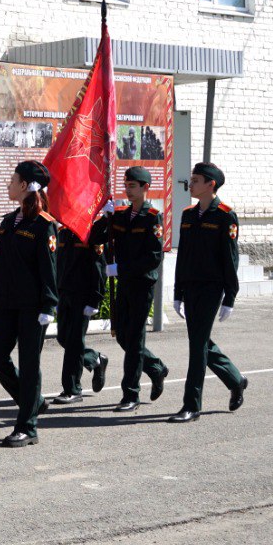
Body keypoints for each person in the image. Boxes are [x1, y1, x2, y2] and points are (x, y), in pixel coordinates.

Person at [0, 161, 57, 448]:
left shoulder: (44, 224)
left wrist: (48, 306)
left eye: (13, 180)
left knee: (29, 365)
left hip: (32, 308)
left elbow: (49, 268)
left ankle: (28, 427)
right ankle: (33, 401)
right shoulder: (8, 221)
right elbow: (1, 266)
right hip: (6, 305)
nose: (8, 184)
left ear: (25, 185)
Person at [170, 162, 248, 423]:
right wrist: (178, 291)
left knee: (197, 346)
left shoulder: (225, 215)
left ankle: (191, 405)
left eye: (195, 180)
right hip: (191, 285)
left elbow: (230, 259)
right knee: (200, 342)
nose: (190, 184)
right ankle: (235, 379)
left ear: (210, 184)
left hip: (212, 287)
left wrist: (230, 297)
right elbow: (184, 257)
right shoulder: (189, 214)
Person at [107, 166, 170, 412]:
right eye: (126, 185)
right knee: (122, 335)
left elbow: (154, 257)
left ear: (145, 188)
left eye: (133, 186)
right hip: (124, 283)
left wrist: (121, 268)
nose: (128, 190)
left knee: (134, 339)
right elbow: (106, 238)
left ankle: (130, 394)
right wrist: (106, 217)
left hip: (142, 283)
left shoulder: (152, 216)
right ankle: (155, 367)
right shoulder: (122, 216)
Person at [51, 211, 110, 405]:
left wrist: (95, 299)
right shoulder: (62, 232)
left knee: (75, 341)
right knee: (63, 337)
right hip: (63, 293)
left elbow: (99, 267)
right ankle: (95, 359)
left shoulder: (89, 231)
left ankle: (72, 389)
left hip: (82, 295)